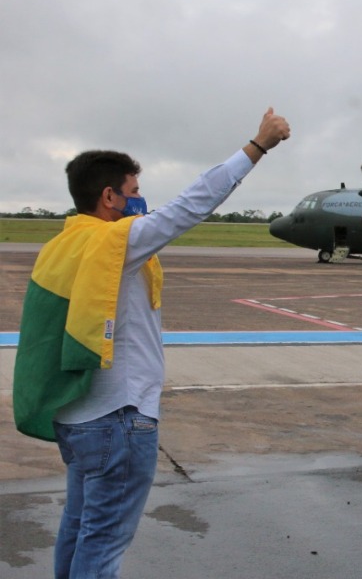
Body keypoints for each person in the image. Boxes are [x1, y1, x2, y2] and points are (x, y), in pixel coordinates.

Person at [13, 107, 291, 579]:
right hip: (119, 421)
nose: (142, 201)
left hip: (76, 417)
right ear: (109, 197)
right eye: (135, 192)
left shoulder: (65, 244)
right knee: (100, 549)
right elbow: (191, 205)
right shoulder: (115, 244)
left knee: (78, 531)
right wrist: (258, 146)